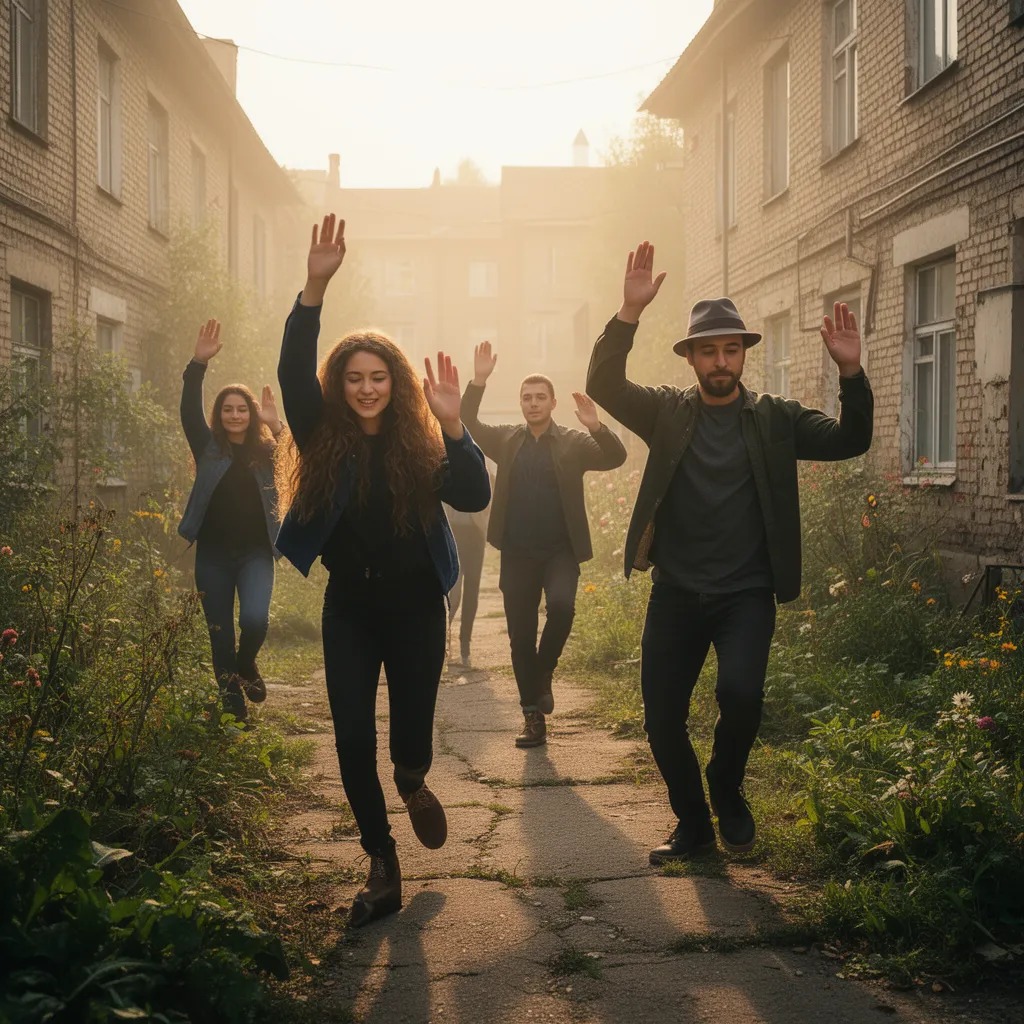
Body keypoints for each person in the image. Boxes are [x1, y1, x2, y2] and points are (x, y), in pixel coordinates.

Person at [586, 240, 873, 864]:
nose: (721, 360)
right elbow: (603, 382)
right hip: (677, 594)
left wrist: (851, 372)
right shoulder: (665, 412)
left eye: (732, 348)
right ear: (690, 356)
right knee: (661, 721)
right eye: (709, 349)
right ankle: (693, 823)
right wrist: (628, 312)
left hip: (746, 594)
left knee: (741, 697)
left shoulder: (775, 419)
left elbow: (852, 439)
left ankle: (726, 784)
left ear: (744, 354)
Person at [275, 214, 490, 928]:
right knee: (347, 736)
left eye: (378, 378)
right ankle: (380, 859)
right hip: (351, 609)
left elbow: (474, 493)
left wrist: (455, 425)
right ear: (339, 385)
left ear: (396, 384)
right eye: (354, 378)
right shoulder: (322, 434)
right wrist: (314, 286)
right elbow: (289, 370)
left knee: (408, 738)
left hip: (419, 606)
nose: (367, 389)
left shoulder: (422, 444)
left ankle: (412, 779)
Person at [461, 342, 627, 749]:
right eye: (526, 397)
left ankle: (543, 672)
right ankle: (532, 716)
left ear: (553, 402)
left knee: (563, 606)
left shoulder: (573, 441)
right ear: (520, 403)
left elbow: (616, 456)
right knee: (520, 635)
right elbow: (467, 422)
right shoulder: (506, 440)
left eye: (540, 397)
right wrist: (478, 381)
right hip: (517, 552)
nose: (533, 403)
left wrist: (595, 425)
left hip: (560, 551)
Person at [178, 320, 282, 726]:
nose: (235, 415)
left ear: (251, 414)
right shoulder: (208, 448)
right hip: (214, 555)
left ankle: (247, 665)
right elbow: (188, 409)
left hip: (257, 552)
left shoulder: (268, 450)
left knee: (255, 620)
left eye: (242, 409)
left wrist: (277, 427)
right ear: (219, 415)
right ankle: (232, 710)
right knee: (219, 631)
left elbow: (298, 460)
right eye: (228, 409)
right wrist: (197, 364)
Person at [443, 469, 491, 669]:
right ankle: (444, 639)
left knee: (472, 588)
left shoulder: (483, 470)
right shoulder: (445, 467)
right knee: (452, 591)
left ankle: (465, 644)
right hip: (452, 532)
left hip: (475, 534)